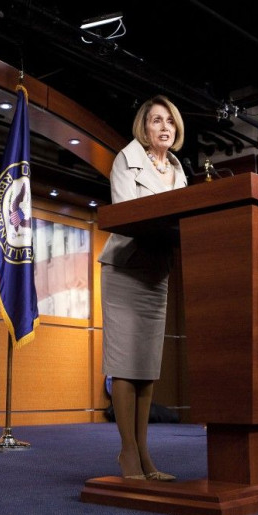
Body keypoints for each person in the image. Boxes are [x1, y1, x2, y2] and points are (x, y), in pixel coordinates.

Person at [98, 95, 188, 481]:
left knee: (147, 369)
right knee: (124, 366)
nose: (164, 126)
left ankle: (146, 455)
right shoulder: (126, 159)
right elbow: (125, 215)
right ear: (144, 128)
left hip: (157, 274)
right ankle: (128, 454)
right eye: (156, 120)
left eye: (170, 120)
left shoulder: (180, 171)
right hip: (126, 269)